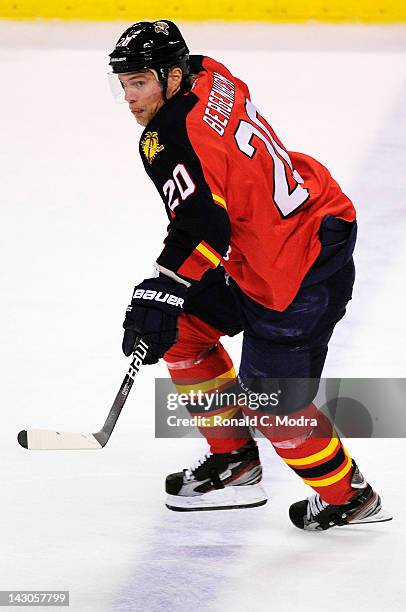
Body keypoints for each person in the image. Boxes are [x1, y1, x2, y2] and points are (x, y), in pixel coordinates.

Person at [108, 20, 391, 530]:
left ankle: (351, 498)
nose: (130, 98)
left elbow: (203, 225)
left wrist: (162, 289)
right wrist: (170, 298)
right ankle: (235, 462)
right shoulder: (210, 72)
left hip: (297, 264)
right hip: (280, 233)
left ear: (172, 77)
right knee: (184, 331)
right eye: (123, 84)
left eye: (140, 82)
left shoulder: (168, 138)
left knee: (274, 404)